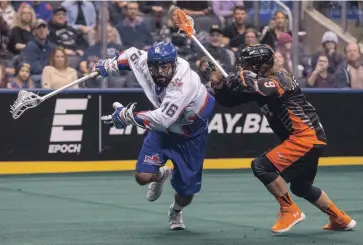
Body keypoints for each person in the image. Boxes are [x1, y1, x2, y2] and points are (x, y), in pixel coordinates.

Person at [204, 44, 356, 233]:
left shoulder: (281, 78)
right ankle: (340, 219)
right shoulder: (256, 83)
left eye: (247, 64)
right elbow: (229, 101)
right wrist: (219, 84)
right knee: (301, 187)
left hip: (305, 137)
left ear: (258, 66)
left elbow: (267, 88)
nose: (242, 67)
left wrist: (243, 77)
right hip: (310, 138)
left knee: (261, 165)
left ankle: (290, 210)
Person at [93, 41, 215, 230]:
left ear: (173, 64)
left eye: (164, 67)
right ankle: (160, 175)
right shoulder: (149, 62)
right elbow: (132, 54)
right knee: (142, 176)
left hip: (190, 136)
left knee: (186, 192)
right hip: (164, 132)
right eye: (155, 67)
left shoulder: (183, 83)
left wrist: (128, 117)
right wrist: (112, 64)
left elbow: (163, 118)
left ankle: (176, 210)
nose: (158, 72)